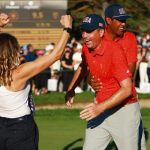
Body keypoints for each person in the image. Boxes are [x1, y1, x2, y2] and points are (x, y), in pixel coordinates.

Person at [65, 13, 146, 150]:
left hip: (124, 111)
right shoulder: (86, 48)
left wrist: (99, 108)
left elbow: (126, 89)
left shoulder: (114, 50)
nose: (85, 35)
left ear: (101, 32)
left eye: (89, 31)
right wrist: (71, 88)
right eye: (83, 31)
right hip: (100, 109)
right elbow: (83, 66)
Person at [0, 14, 72, 150]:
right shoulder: (18, 74)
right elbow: (55, 56)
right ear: (10, 52)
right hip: (20, 128)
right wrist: (67, 28)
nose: (19, 50)